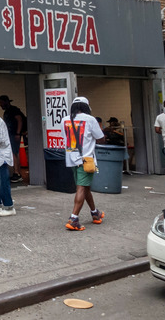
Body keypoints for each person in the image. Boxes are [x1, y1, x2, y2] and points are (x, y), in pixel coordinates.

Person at [62, 97, 105, 231]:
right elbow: (101, 139)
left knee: (85, 187)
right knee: (81, 188)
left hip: (71, 158)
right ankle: (74, 219)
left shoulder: (65, 120)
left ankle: (95, 213)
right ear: (86, 107)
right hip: (85, 159)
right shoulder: (90, 119)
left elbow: (65, 138)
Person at [0, 95, 27, 183]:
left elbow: (19, 120)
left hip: (14, 134)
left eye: (1, 103)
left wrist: (17, 133)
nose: (0, 105)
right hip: (11, 134)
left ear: (6, 102)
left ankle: (16, 173)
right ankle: (16, 172)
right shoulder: (7, 111)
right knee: (14, 152)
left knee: (13, 152)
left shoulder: (13, 110)